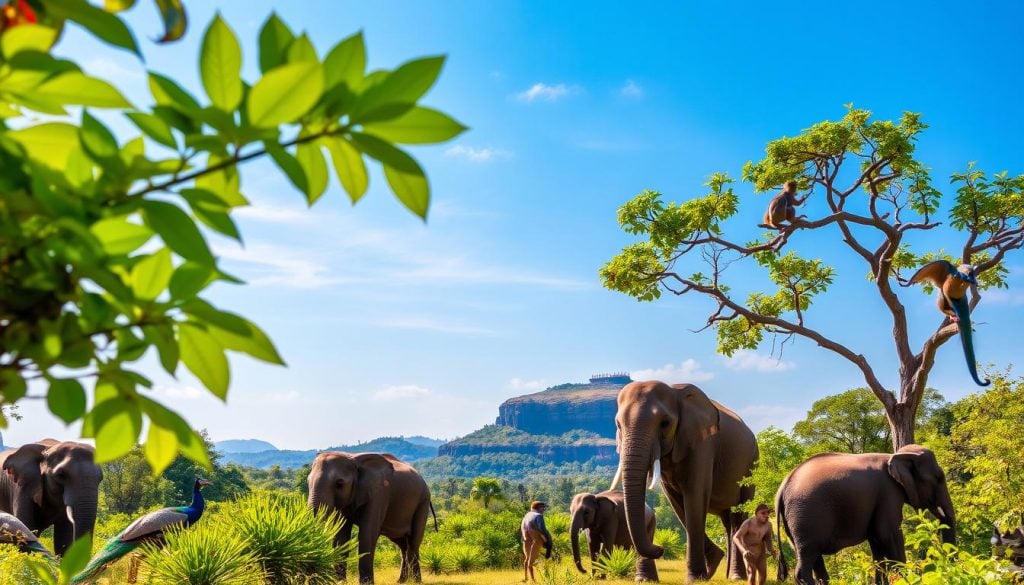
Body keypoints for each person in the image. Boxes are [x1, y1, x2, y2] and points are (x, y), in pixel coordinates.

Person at [732, 504, 776, 585]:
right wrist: (744, 551)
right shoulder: (748, 523)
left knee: (763, 575)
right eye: (763, 513)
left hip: (761, 552)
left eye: (767, 513)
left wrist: (772, 550)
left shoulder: (768, 525)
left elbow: (768, 540)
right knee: (752, 573)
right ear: (756, 514)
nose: (767, 515)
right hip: (749, 552)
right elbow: (736, 537)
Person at [521, 501, 552, 582]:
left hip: (526, 538)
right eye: (543, 508)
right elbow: (542, 529)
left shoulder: (527, 515)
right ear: (539, 508)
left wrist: (524, 538)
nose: (544, 509)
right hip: (536, 539)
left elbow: (523, 528)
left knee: (527, 559)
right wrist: (547, 540)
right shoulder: (538, 516)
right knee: (531, 561)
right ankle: (533, 580)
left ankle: (526, 578)